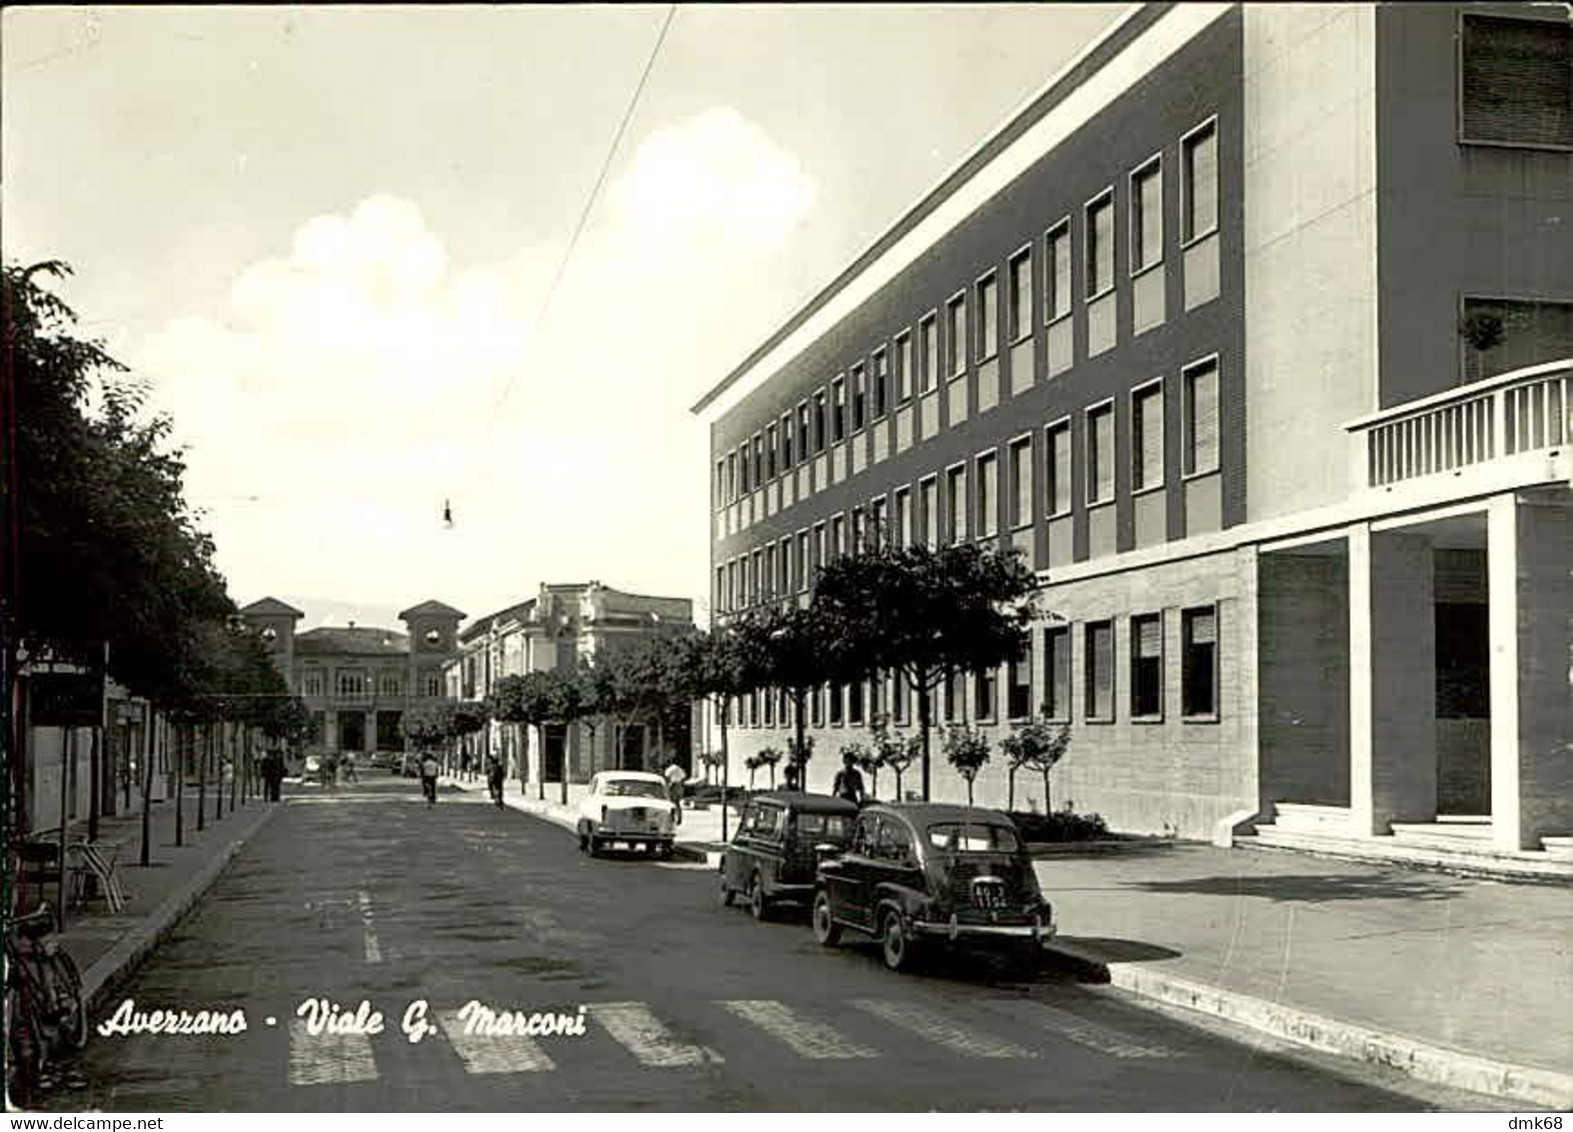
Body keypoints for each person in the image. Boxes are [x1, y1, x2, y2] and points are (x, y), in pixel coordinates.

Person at [663, 758, 686, 825]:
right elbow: (683, 777)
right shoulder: (679, 769)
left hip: (673, 786)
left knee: (671, 803)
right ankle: (679, 818)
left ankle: (672, 818)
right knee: (677, 804)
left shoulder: (669, 769)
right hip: (679, 786)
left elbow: (666, 777)